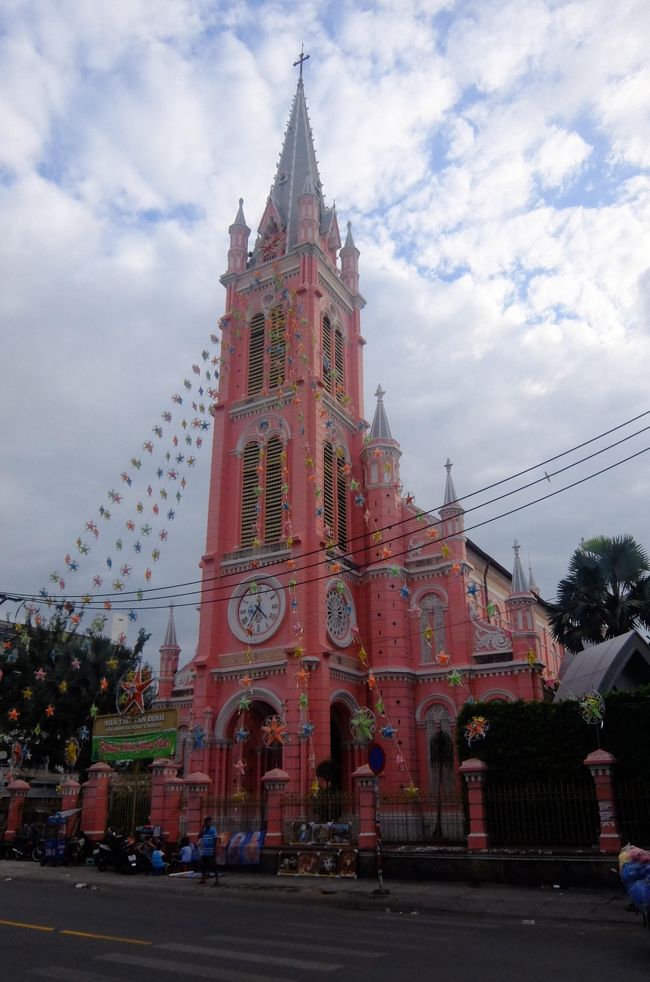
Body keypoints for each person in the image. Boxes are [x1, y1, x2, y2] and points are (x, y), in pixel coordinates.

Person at [197, 816, 219, 886]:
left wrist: (215, 849)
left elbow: (215, 839)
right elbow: (199, 836)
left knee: (213, 866)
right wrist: (202, 829)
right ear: (205, 823)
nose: (209, 823)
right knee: (203, 866)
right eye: (207, 822)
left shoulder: (213, 830)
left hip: (211, 850)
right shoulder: (204, 830)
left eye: (210, 822)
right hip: (204, 851)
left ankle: (217, 880)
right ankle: (203, 880)